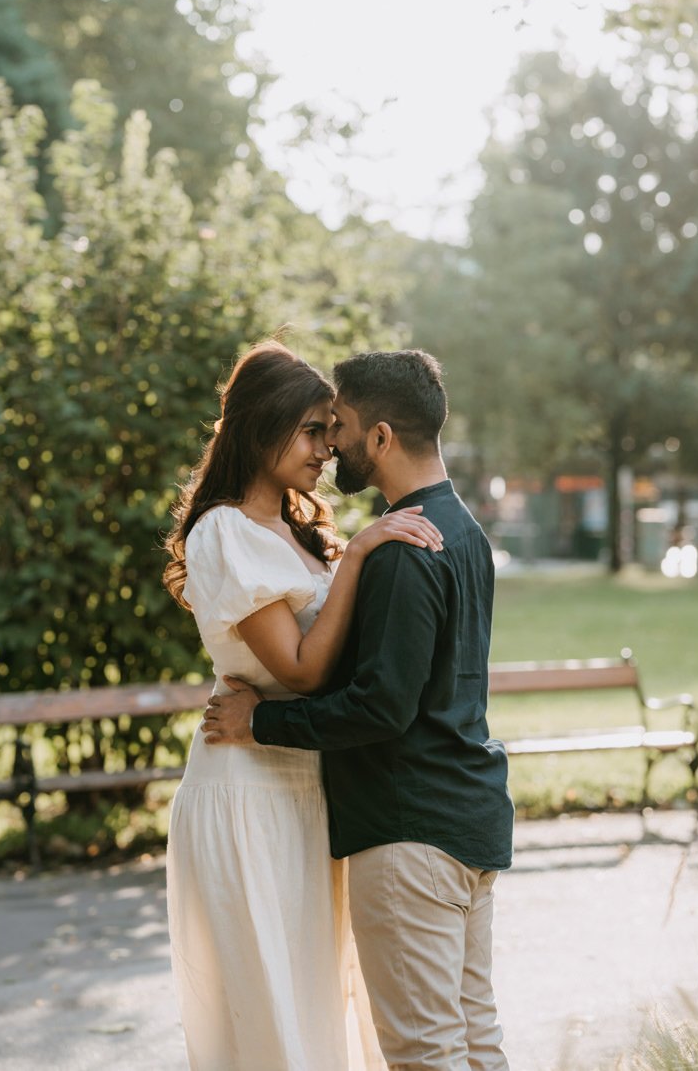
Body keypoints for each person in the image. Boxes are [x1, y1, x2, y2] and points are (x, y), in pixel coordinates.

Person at [203, 349, 513, 1071]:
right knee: (474, 1046)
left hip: (410, 830)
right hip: (465, 818)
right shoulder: (462, 531)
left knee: (425, 1056)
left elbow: (381, 708)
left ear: (378, 437)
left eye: (336, 426)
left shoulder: (406, 548)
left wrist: (261, 722)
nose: (330, 443)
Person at [163, 339, 444, 1071]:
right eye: (314, 430)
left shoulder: (296, 533)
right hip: (248, 790)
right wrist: (361, 554)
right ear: (262, 427)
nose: (328, 448)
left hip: (307, 781)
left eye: (331, 429)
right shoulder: (224, 531)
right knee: (271, 1003)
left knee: (321, 996)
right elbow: (300, 669)